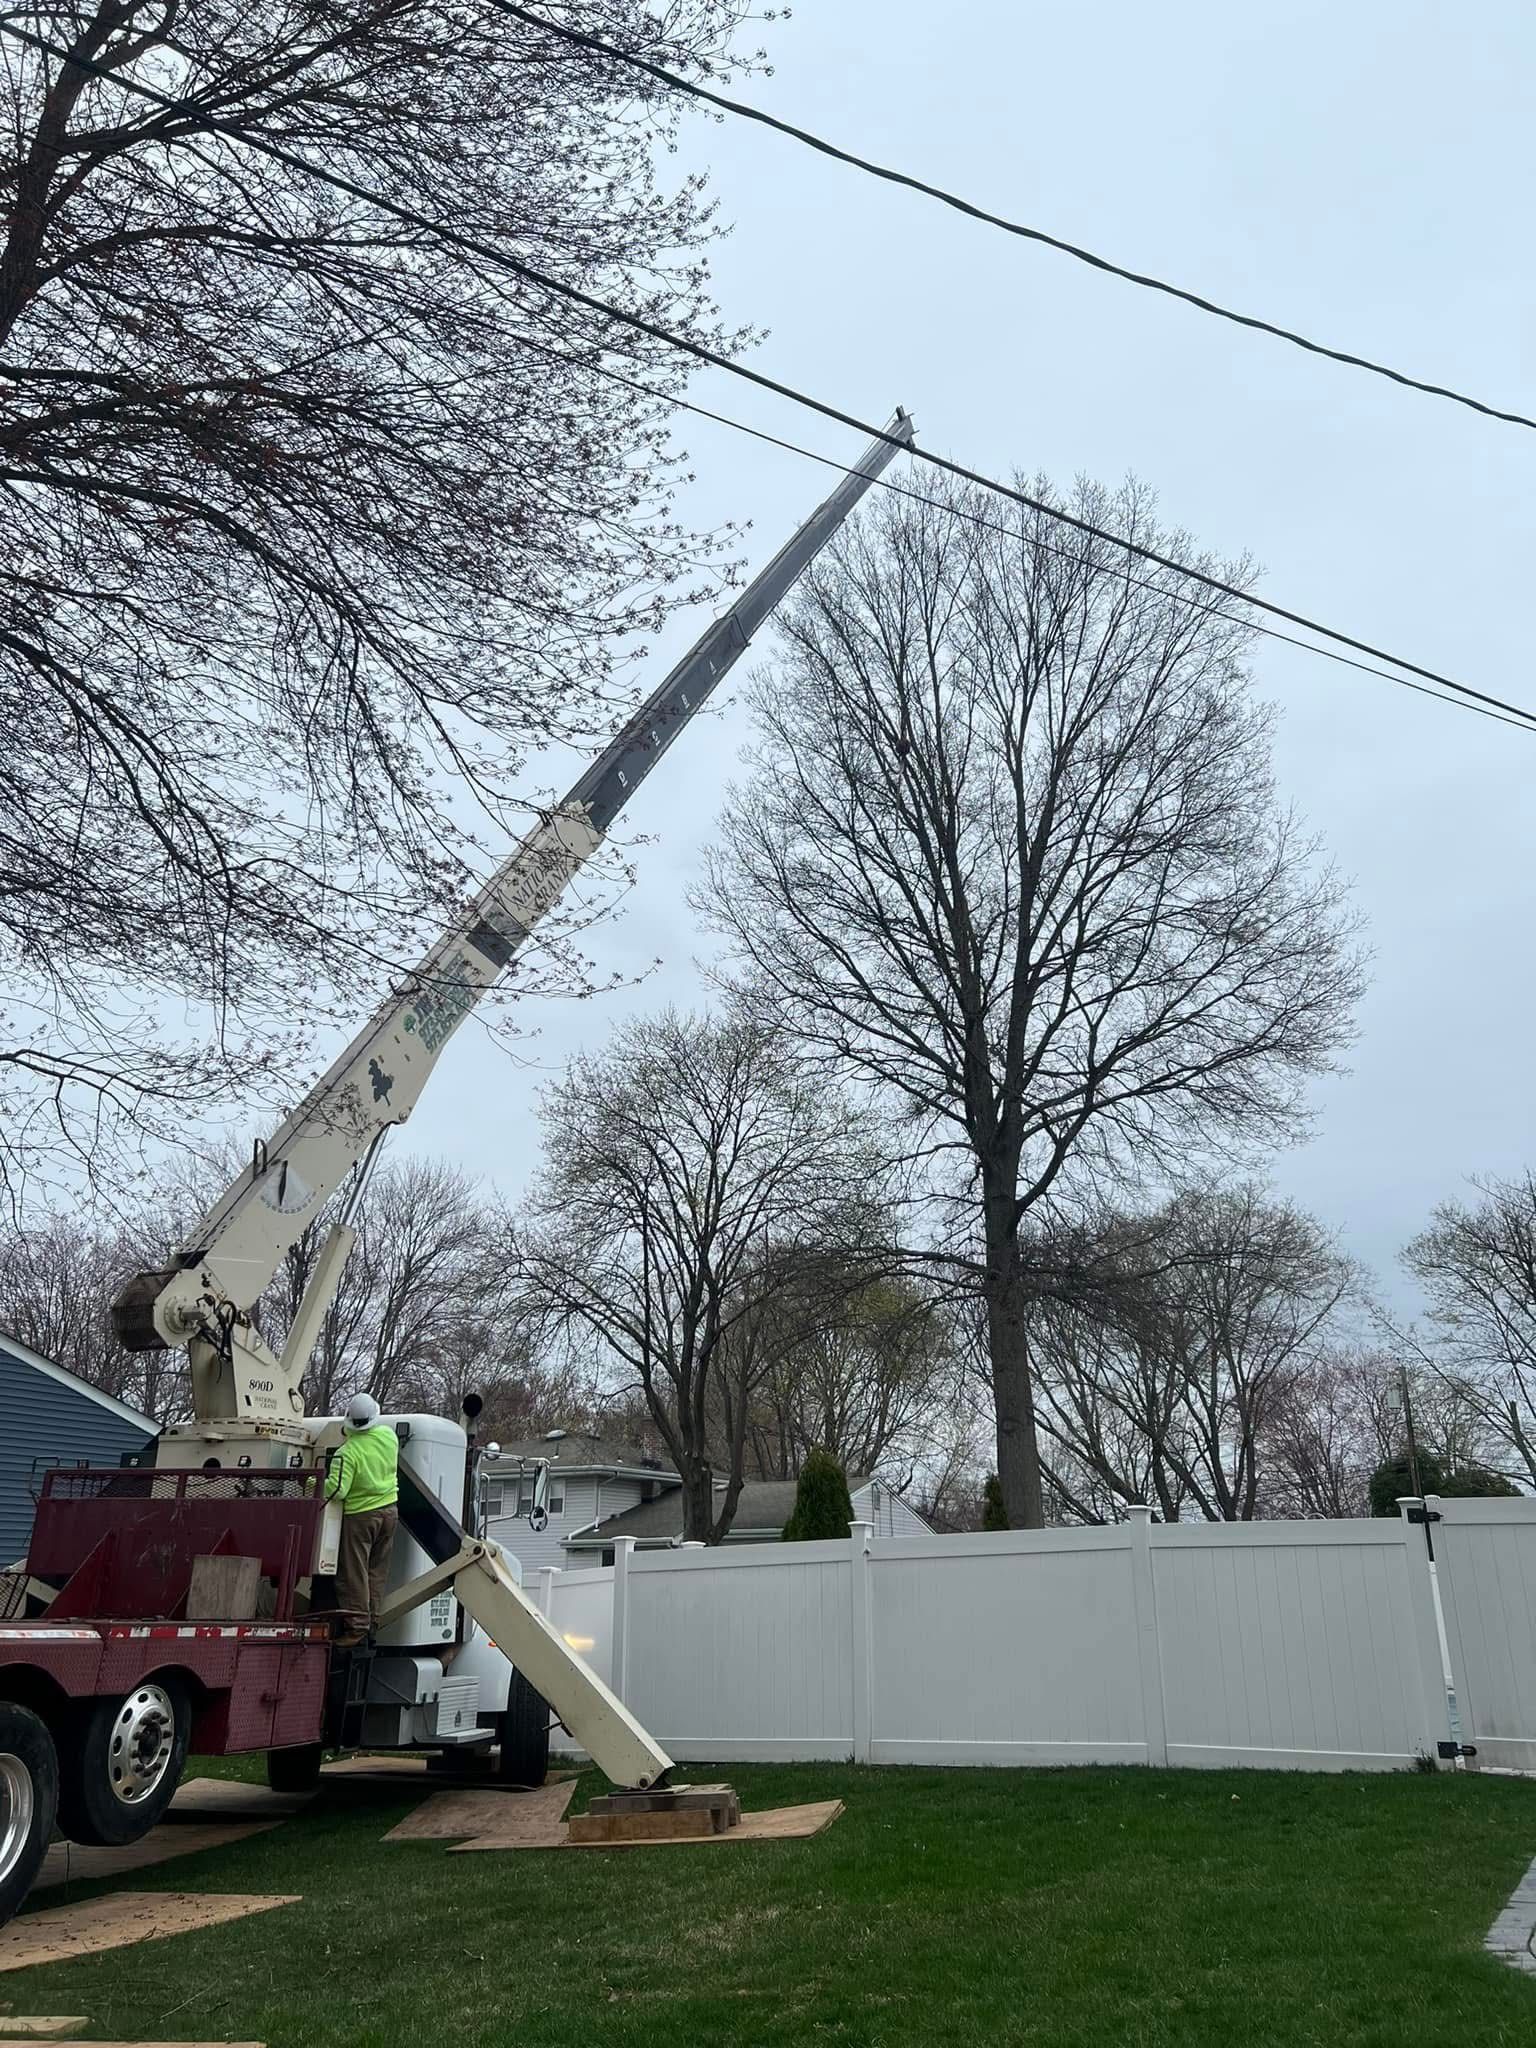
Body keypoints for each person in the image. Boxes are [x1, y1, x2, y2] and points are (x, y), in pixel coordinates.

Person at [326, 1393, 399, 1647]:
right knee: (376, 1572)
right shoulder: (389, 1437)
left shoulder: (346, 1453)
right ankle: (373, 1621)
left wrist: (313, 1483)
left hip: (360, 1517)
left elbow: (338, 1491)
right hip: (390, 1512)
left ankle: (356, 1627)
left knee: (353, 1573)